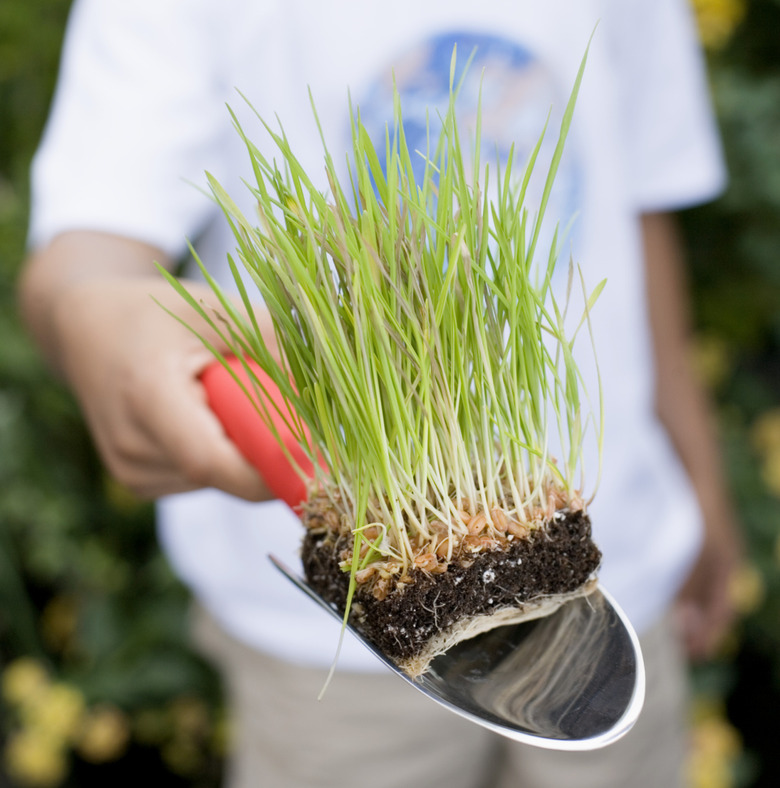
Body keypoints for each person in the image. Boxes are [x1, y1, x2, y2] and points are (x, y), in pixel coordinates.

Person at [18, 0, 742, 786]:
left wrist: (701, 480)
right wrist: (97, 322)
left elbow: (640, 201)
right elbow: (86, 250)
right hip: (330, 663)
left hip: (620, 573)